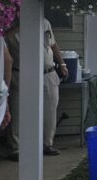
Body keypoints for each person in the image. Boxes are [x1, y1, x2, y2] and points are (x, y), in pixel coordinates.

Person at [6, 16, 67, 160]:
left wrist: (62, 64)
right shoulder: (9, 25)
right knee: (17, 110)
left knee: (49, 110)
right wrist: (20, 26)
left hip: (47, 73)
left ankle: (47, 144)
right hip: (21, 74)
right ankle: (16, 148)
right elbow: (4, 43)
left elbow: (53, 44)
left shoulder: (44, 22)